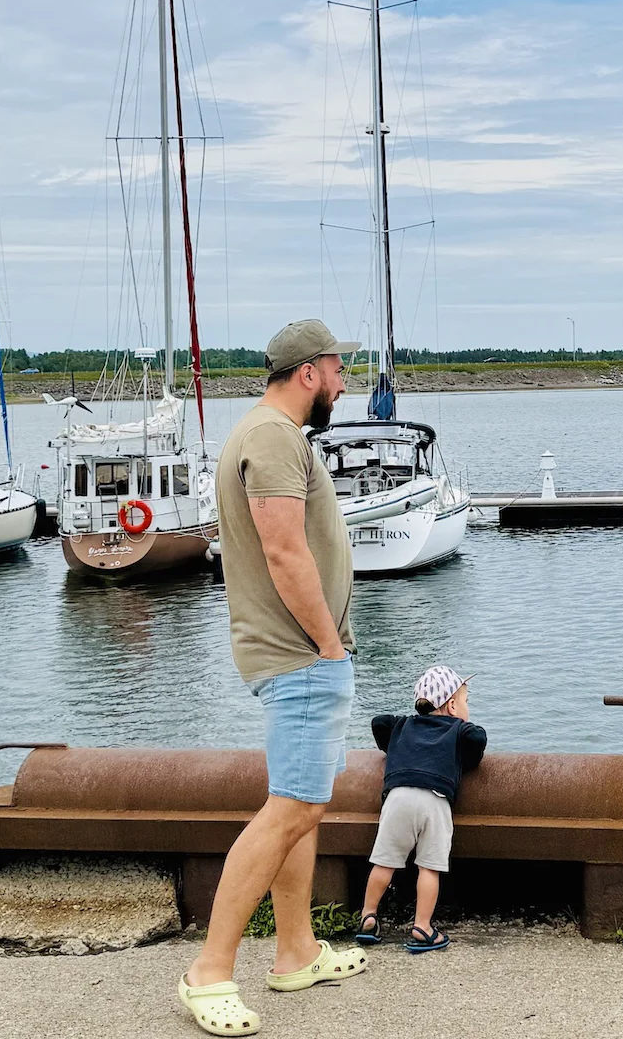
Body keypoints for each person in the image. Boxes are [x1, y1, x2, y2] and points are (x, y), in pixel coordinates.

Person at [179, 320, 366, 1038]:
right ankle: (209, 972)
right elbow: (285, 553)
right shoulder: (273, 438)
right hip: (299, 656)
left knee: (304, 802)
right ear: (309, 373)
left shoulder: (271, 436)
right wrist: (328, 647)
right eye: (338, 368)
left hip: (301, 655)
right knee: (290, 806)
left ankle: (296, 951)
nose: (344, 381)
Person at [355, 665, 488, 953]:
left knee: (384, 862)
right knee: (429, 867)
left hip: (398, 796)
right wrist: (464, 729)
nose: (467, 707)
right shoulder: (458, 730)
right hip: (434, 799)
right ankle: (422, 927)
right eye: (465, 701)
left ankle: (368, 916)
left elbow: (379, 722)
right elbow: (477, 740)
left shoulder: (402, 726)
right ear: (452, 706)